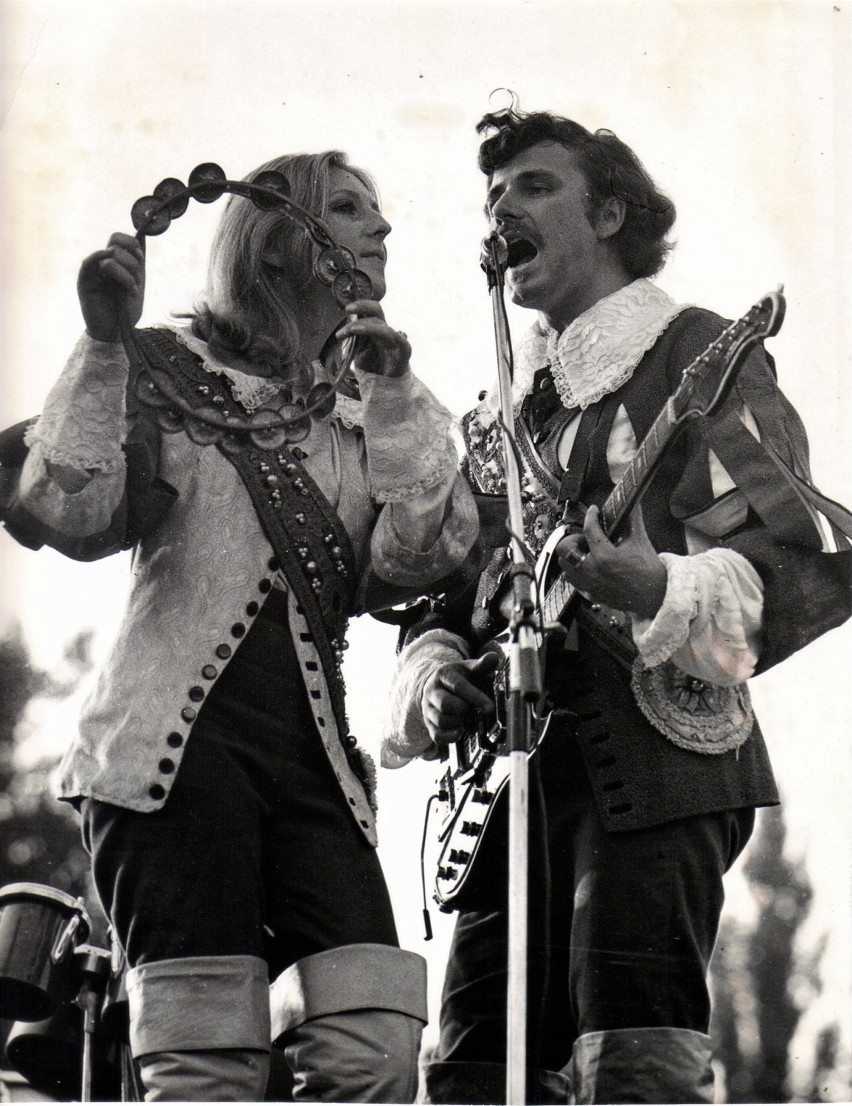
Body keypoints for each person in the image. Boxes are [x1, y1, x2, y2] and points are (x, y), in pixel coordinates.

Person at [383, 107, 852, 1104]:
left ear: (610, 214)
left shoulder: (692, 353)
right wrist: (436, 681)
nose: (503, 206)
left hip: (653, 754)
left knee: (633, 1053)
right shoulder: (503, 411)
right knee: (471, 1063)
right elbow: (448, 590)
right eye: (493, 196)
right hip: (509, 780)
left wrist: (658, 585)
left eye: (535, 187)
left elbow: (809, 548)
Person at [6, 150, 478, 1102]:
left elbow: (415, 562)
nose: (382, 230)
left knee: (371, 1049)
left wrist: (392, 393)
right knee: (204, 1065)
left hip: (313, 771)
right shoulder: (164, 373)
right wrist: (103, 344)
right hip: (168, 765)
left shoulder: (362, 409)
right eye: (349, 210)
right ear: (275, 242)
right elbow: (68, 509)